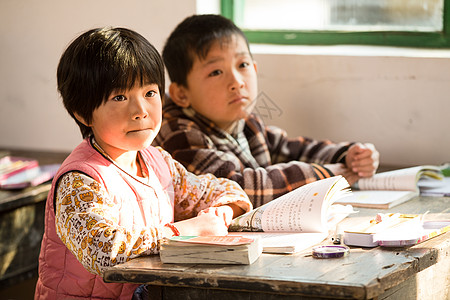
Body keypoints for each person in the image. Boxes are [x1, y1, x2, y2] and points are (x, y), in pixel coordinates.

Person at [34, 27, 252, 300]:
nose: (140, 111)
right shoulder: (79, 179)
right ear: (83, 112)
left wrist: (221, 214)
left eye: (150, 93)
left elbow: (222, 190)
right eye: (120, 97)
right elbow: (104, 252)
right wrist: (186, 230)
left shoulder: (158, 162)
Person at [154, 14, 380, 207]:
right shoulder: (177, 132)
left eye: (242, 65)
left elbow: (290, 148)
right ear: (181, 94)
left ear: (254, 68)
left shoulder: (246, 122)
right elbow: (237, 187)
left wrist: (349, 155)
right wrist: (329, 176)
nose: (237, 82)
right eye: (216, 72)